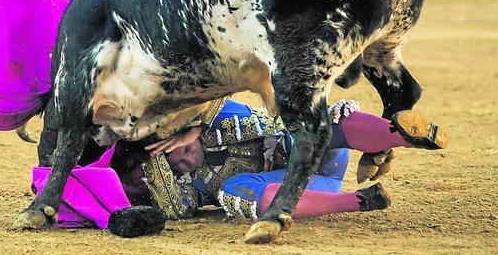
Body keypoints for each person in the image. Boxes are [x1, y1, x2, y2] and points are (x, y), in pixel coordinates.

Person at [129, 98, 448, 221]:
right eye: (175, 166)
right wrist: (153, 157)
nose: (183, 162)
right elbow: (174, 207)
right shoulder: (189, 185)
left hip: (318, 146)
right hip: (317, 187)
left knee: (312, 125)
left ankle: (405, 136)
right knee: (233, 192)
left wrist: (196, 125)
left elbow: (214, 90)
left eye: (181, 150)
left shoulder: (216, 117)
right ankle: (361, 200)